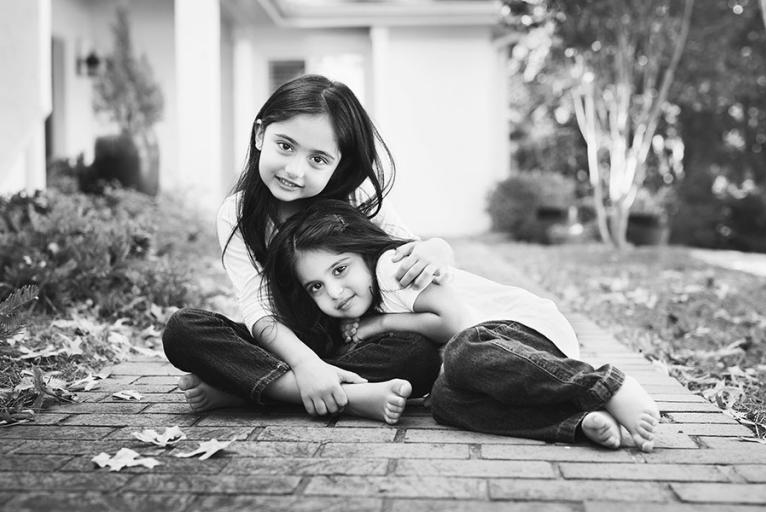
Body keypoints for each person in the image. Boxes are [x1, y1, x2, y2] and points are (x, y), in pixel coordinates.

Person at [264, 199, 661, 451]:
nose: (334, 291)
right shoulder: (358, 296)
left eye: (340, 269)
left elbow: (453, 323)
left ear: (363, 254)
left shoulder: (392, 268)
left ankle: (605, 385)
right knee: (446, 401)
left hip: (520, 331)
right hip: (492, 362)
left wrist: (379, 323)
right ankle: (573, 420)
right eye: (316, 286)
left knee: (462, 352)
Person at [162, 75, 449, 421]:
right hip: (284, 345)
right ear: (259, 135)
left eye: (318, 160)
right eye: (285, 146)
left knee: (418, 356)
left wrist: (437, 249)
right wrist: (305, 364)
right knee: (184, 330)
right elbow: (257, 308)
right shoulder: (239, 214)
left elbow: (408, 249)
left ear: (338, 164)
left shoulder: (357, 198)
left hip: (352, 340)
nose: (295, 170)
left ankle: (251, 389)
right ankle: (348, 396)